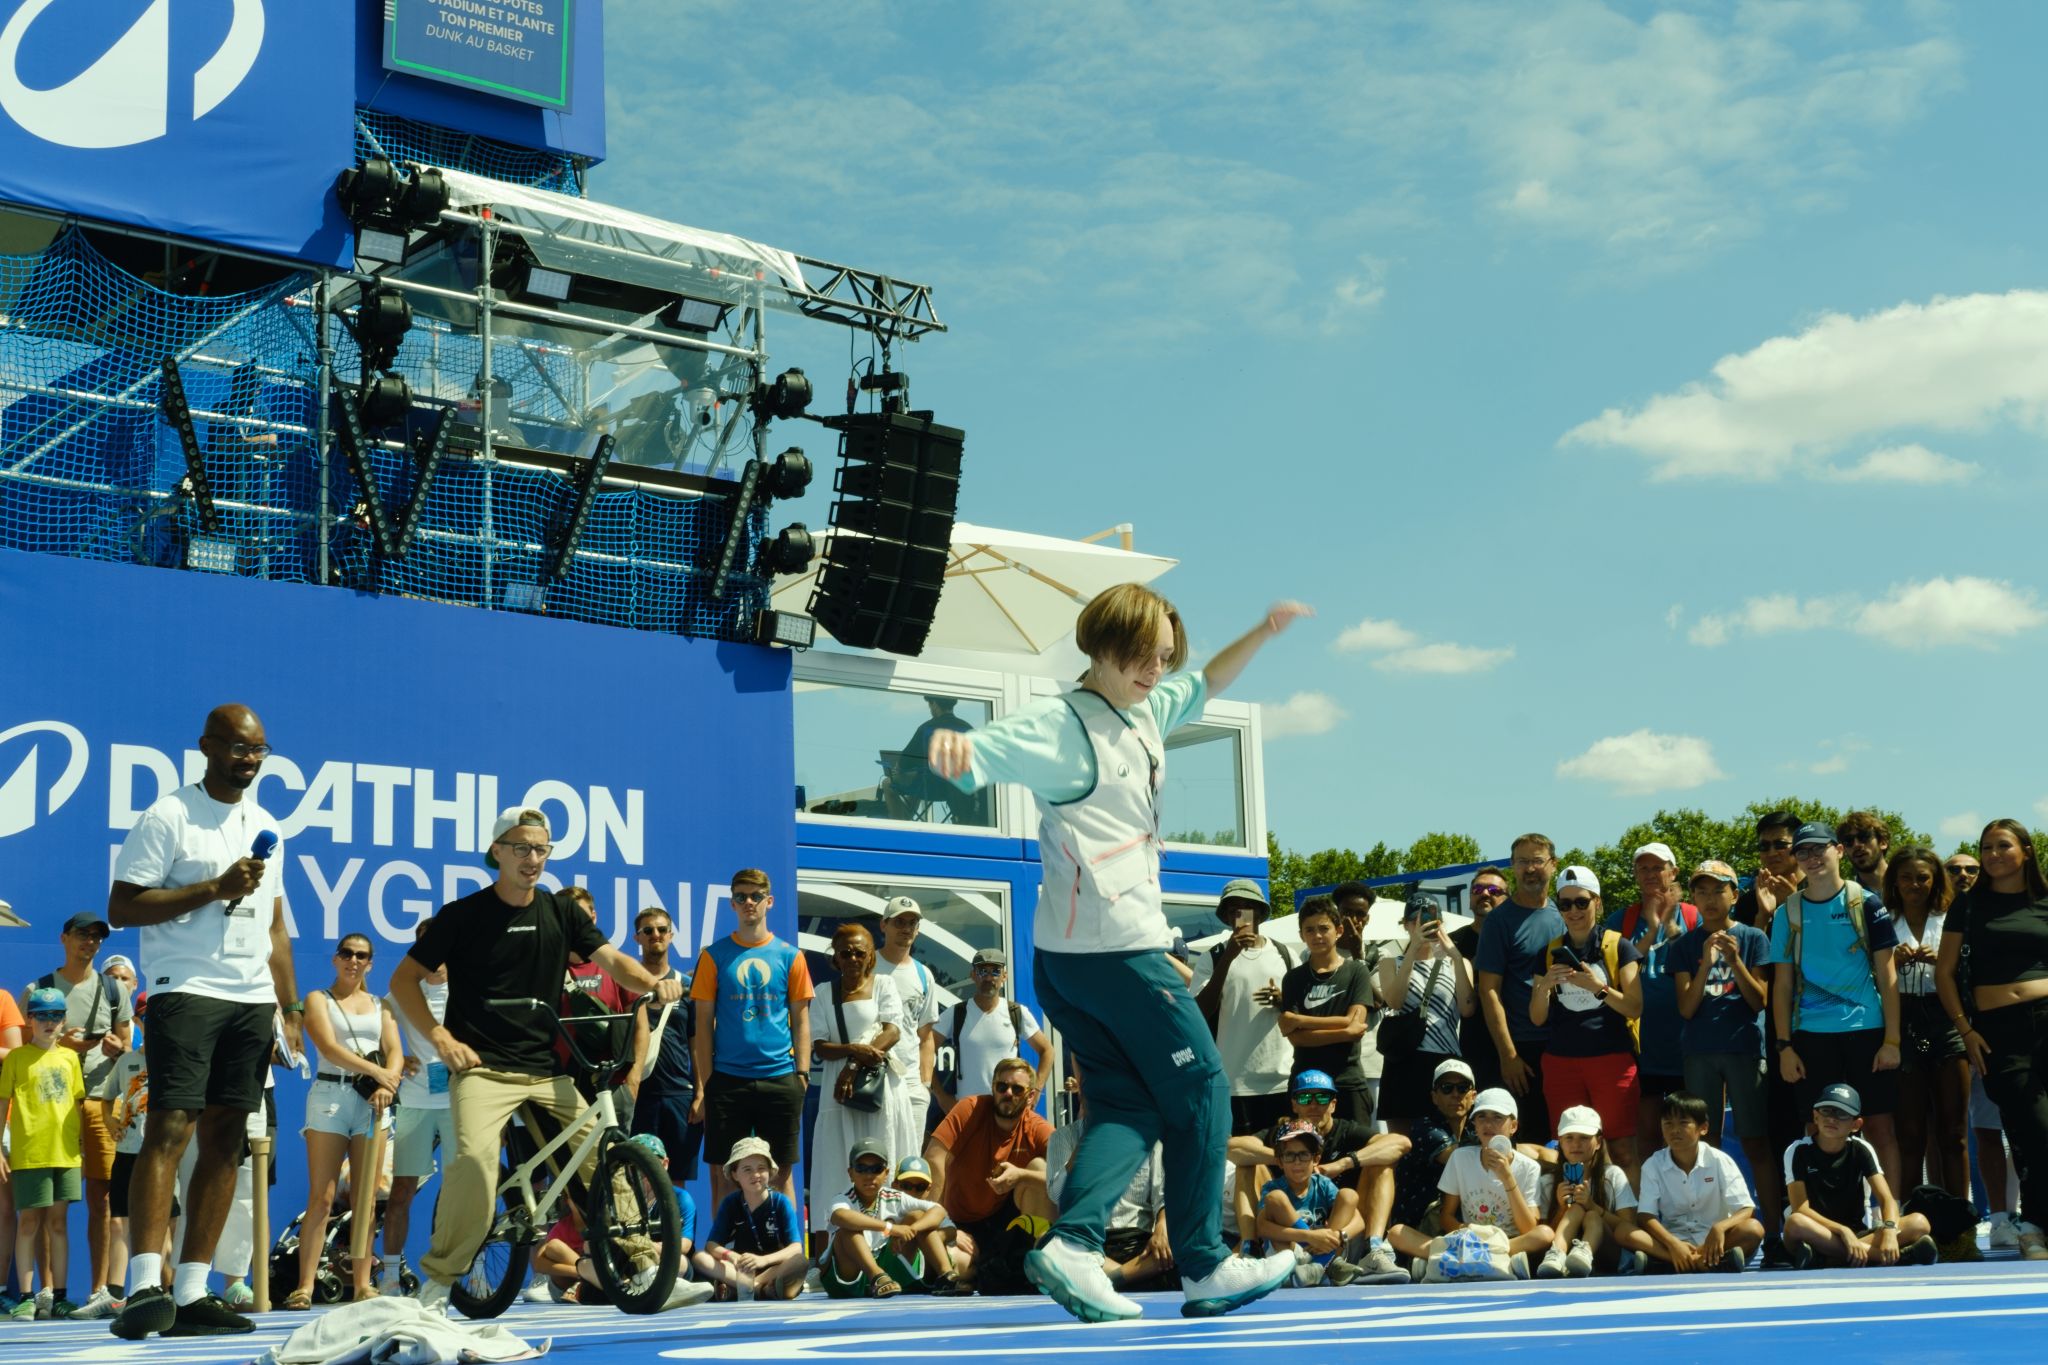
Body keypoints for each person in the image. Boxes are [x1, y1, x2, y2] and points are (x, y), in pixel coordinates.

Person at [927, 583, 1309, 1320]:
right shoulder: (1064, 726)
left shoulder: (1147, 706)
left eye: (1164, 656)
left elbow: (1208, 681)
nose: (1156, 669)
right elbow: (996, 746)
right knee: (1199, 1086)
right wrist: (961, 748)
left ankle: (1072, 1245)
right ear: (1101, 646)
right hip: (1111, 952)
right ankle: (1203, 1262)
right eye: (1142, 655)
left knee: (1130, 1103)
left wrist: (1260, 631)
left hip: (1069, 961)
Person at [389, 807, 683, 1309]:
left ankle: (647, 1265)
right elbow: (402, 982)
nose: (533, 859)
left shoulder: (561, 911)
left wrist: (655, 984)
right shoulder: (463, 916)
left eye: (541, 849)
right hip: (482, 1068)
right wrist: (441, 1038)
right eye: (521, 848)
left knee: (603, 1156)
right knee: (475, 1161)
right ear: (496, 852)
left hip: (546, 1069)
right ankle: (439, 1284)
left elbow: (611, 960)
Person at [105, 703, 301, 1339]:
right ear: (208, 747)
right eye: (240, 748)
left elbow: (274, 926)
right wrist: (213, 889)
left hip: (250, 998)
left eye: (260, 750)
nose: (250, 760)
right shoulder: (169, 815)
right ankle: (141, 1289)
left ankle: (190, 1293)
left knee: (228, 1140)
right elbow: (123, 905)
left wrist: (289, 1007)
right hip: (183, 987)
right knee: (170, 1126)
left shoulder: (268, 824)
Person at [1766, 822, 1903, 1192]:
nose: (1811, 858)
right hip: (1811, 1035)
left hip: (1867, 1031)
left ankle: (1889, 1218)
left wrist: (1892, 1039)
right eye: (1803, 851)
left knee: (1878, 1125)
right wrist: (1784, 1046)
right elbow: (1781, 985)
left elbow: (1887, 975)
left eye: (1819, 848)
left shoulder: (1866, 902)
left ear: (1838, 850)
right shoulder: (1787, 913)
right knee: (1817, 1130)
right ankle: (1828, 1220)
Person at [1936, 817, 2048, 1260]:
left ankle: (2035, 1227)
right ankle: (2035, 1224)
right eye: (1986, 848)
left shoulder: (2044, 900)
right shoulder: (1968, 905)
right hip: (1996, 1030)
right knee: (2035, 1129)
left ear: (2026, 850)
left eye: (2003, 845)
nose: (1993, 854)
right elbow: (1944, 974)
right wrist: (1965, 1030)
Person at [28, 912, 134, 1320]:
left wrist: (113, 1048)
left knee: (103, 1200)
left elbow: (128, 1046)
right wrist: (60, 1046)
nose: (89, 942)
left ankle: (99, 1292)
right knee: (47, 1200)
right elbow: (22, 1052)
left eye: (96, 937)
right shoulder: (40, 988)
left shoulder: (112, 990)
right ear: (64, 938)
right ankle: (48, 1293)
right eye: (82, 935)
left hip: (100, 1102)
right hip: (52, 1107)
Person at [285, 933, 400, 1308]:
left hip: (372, 1103)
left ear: (370, 964)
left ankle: (364, 1283)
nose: (353, 960)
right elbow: (327, 1045)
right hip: (331, 1099)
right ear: (336, 959)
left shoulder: (381, 1005)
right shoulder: (319, 998)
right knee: (323, 1195)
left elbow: (395, 1052)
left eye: (361, 956)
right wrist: (379, 1073)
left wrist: (389, 1082)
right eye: (347, 953)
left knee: (366, 1197)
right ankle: (304, 1285)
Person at [1669, 860, 1782, 1241]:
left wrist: (1734, 962)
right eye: (1701, 891)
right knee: (1706, 1143)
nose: (1710, 898)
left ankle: (1773, 1233)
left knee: (1755, 1140)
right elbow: (1685, 1008)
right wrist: (1706, 962)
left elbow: (1760, 1000)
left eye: (1719, 890)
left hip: (1743, 1048)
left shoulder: (1753, 938)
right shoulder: (1684, 945)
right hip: (1700, 1050)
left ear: (1735, 895)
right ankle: (1709, 1232)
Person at [688, 868, 812, 1211]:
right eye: (741, 897)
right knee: (725, 1174)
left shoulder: (791, 956)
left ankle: (788, 1258)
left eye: (756, 896)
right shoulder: (714, 956)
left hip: (780, 1075)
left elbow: (801, 1019)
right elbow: (702, 1023)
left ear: (769, 902)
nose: (748, 903)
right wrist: (709, 1081)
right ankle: (723, 1257)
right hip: (728, 1079)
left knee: (780, 1173)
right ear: (732, 903)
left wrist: (801, 1073)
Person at [1225, 1068, 1408, 1282]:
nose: (1313, 1104)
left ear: (1333, 1104)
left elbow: (1401, 1143)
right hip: (1286, 1239)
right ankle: (1251, 1248)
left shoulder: (1347, 1131)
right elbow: (1231, 1148)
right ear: (1294, 1104)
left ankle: (1372, 1250)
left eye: (1322, 1097)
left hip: (1338, 1238)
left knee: (1380, 1165)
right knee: (1247, 1165)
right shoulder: (1283, 1135)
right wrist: (1281, 1157)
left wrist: (1343, 1164)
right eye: (1304, 1097)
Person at [1530, 867, 1644, 1182]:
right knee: (1570, 1149)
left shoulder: (1619, 946)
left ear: (1597, 902)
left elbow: (1634, 1007)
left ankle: (1629, 1224)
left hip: (1612, 1060)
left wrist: (1598, 986)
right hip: (1561, 1062)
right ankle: (1578, 1220)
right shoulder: (1549, 952)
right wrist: (1545, 986)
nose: (1573, 911)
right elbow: (1537, 1016)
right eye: (1564, 904)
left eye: (1581, 902)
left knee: (1621, 1150)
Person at [810, 924, 911, 1235]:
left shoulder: (884, 985)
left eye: (860, 952)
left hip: (878, 1090)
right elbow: (820, 1046)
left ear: (870, 956)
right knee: (836, 1165)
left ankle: (891, 1239)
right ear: (835, 958)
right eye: (845, 952)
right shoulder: (824, 993)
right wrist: (853, 1048)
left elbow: (892, 1031)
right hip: (837, 1093)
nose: (852, 958)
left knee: (885, 1157)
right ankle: (831, 1250)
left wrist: (852, 1063)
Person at [925, 1056, 1054, 1294]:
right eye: (1001, 1086)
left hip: (1009, 1225)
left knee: (1038, 1168)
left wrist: (1021, 1176)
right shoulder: (969, 1108)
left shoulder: (1037, 1126)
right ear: (992, 1088)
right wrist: (943, 1223)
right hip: (960, 1222)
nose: (1008, 1093)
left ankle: (1040, 1258)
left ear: (1031, 1096)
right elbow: (934, 1157)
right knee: (952, 1262)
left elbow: (1067, 1176)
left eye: (1017, 1089)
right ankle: (983, 1273)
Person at [1885, 847, 1970, 1199]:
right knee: (1909, 1135)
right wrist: (1892, 959)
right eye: (1906, 877)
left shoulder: (1952, 917)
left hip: (1946, 1019)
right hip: (1902, 1021)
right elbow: (1868, 975)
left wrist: (1945, 962)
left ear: (1935, 879)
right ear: (1895, 881)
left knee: (1953, 1133)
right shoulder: (1883, 920)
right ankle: (1907, 1221)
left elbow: (1972, 971)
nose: (1915, 884)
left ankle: (1961, 1223)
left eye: (1923, 877)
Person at [1608, 843, 1699, 1161]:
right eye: (1643, 868)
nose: (1650, 874)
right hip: (1641, 1044)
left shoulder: (1693, 914)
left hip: (1687, 1040)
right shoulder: (1623, 919)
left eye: (1657, 867)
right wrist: (1651, 930)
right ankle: (1649, 1205)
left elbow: (1702, 964)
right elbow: (1614, 970)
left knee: (1691, 1131)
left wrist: (1671, 928)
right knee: (1645, 1133)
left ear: (1673, 872)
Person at [1782, 1082, 1936, 1268]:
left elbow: (1887, 1199)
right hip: (1818, 1233)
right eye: (1827, 1111)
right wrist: (1841, 1230)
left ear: (1856, 1125)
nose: (1832, 1118)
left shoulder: (1861, 1149)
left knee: (1919, 1222)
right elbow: (1800, 1208)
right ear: (1815, 1116)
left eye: (1842, 1113)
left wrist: (1888, 1230)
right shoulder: (1797, 1150)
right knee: (1795, 1223)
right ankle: (1883, 1257)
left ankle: (1831, 1258)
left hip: (1858, 1235)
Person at [1, 987, 86, 1318]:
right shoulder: (17, 1058)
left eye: (56, 1016)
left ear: (64, 1021)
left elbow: (76, 1107)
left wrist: (81, 1150)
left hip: (65, 1155)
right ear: (29, 1019)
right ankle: (26, 1295)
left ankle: (60, 1296)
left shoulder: (69, 1059)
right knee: (28, 1223)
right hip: (29, 1154)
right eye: (42, 1016)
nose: (49, 1022)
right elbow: (3, 1104)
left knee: (59, 1224)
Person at [1475, 834, 1566, 1144]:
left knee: (1565, 1138)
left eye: (1537, 860)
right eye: (1522, 862)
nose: (1530, 869)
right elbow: (1489, 991)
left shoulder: (1566, 913)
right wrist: (1508, 1054)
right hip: (1523, 1052)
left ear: (1553, 865)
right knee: (1527, 1143)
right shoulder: (1499, 921)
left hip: (1565, 1046)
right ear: (1512, 867)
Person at [1192, 878, 1295, 1137]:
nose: (1240, 915)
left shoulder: (1285, 954)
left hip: (1281, 1079)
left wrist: (1283, 1001)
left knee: (1283, 1160)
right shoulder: (1213, 957)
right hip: (1233, 1082)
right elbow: (1199, 1012)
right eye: (1233, 909)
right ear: (1226, 917)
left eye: (1247, 907)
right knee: (1239, 1165)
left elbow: (1305, 1011)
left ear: (1260, 911)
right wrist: (1227, 958)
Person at [382, 923, 452, 1297]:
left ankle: (456, 1273)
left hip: (461, 1103)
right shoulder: (400, 994)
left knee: (463, 1192)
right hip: (415, 1102)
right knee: (402, 1191)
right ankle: (390, 1274)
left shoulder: (470, 991)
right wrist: (396, 1055)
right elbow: (380, 1036)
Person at [1634, 1092, 1763, 1273]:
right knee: (1627, 1233)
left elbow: (1746, 1209)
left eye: (1683, 1123)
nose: (1674, 1130)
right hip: (1674, 1240)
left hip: (1716, 1240)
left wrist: (1720, 1227)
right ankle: (1704, 1263)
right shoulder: (1653, 1164)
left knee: (1753, 1229)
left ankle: (1672, 1264)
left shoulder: (1719, 1160)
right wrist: (1673, 1243)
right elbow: (1645, 1216)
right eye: (1668, 1123)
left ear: (1703, 1128)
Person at [1423, 1087, 1550, 1270]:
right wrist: (1470, 1234)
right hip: (1469, 1239)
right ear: (1474, 1124)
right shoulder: (1460, 1157)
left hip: (1510, 1241)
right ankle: (1498, 1260)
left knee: (1544, 1234)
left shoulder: (1529, 1167)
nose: (1488, 1124)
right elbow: (1446, 1216)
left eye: (1497, 1117)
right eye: (1481, 1116)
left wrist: (1507, 1178)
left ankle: (1442, 1259)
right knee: (1397, 1233)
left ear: (1513, 1126)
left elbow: (1529, 1229)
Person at [1376, 895, 1471, 1137]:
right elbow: (1394, 1001)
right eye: (1415, 920)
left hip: (1445, 1061)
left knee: (1448, 1140)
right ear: (1406, 925)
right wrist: (1412, 952)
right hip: (1404, 1061)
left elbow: (1468, 1008)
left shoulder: (1456, 962)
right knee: (1403, 1146)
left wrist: (1456, 956)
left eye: (1430, 919)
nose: (1423, 925)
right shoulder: (1390, 963)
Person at [1278, 898, 1376, 1126]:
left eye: (1324, 928)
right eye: (1309, 930)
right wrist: (1344, 1028)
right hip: (1305, 1082)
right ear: (1301, 935)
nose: (1317, 935)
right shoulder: (1293, 978)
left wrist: (1300, 1020)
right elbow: (1296, 1038)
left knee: (1358, 1156)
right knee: (1302, 1156)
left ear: (1339, 930)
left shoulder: (1357, 971)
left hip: (1348, 1080)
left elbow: (1357, 1026)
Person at [624, 905, 701, 1182]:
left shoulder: (688, 985)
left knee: (675, 1181)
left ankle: (672, 1228)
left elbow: (697, 1045)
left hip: (678, 1095)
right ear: (638, 938)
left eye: (661, 929)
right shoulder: (626, 984)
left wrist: (700, 1093)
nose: (655, 934)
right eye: (648, 930)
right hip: (636, 1095)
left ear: (671, 935)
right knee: (632, 1177)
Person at [822, 1136, 949, 1298]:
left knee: (917, 1216)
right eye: (861, 1168)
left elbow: (938, 1211)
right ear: (850, 1173)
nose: (869, 1175)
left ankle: (947, 1276)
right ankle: (877, 1276)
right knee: (848, 1229)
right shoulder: (842, 1199)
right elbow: (839, 1216)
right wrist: (891, 1228)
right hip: (847, 1277)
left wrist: (910, 1230)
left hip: (887, 1273)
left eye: (876, 1169)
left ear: (886, 1173)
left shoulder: (894, 1197)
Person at [690, 1138, 806, 1301]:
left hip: (772, 1269)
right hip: (740, 1268)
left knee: (799, 1262)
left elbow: (795, 1248)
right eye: (747, 1169)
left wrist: (762, 1260)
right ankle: (760, 1290)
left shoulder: (781, 1202)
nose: (755, 1175)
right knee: (700, 1257)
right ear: (734, 1174)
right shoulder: (731, 1203)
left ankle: (745, 1288)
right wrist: (731, 1256)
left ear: (770, 1172)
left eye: (761, 1168)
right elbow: (712, 1245)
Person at [933, 949, 1051, 1106]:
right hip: (968, 1113)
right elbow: (924, 1050)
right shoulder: (956, 1014)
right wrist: (941, 1097)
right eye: (982, 971)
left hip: (1007, 1109)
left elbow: (1047, 1051)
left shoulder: (1016, 1013)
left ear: (1004, 976)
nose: (989, 977)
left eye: (995, 971)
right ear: (973, 975)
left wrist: (1035, 1092)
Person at [1537, 1105, 1643, 1278]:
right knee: (1576, 1209)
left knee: (1591, 1215)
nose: (1576, 1144)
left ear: (1598, 1142)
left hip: (1609, 1254)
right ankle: (1558, 1255)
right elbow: (1542, 1235)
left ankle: (1583, 1252)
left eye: (1584, 1138)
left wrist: (1593, 1206)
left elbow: (1629, 1229)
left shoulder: (1612, 1175)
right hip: (1561, 1257)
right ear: (1560, 1142)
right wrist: (1562, 1208)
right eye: (1569, 1138)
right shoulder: (1548, 1182)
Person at [1385, 1060, 1478, 1253]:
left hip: (1456, 1217)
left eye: (1462, 1088)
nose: (1455, 1094)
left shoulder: (1476, 1127)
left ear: (1473, 1096)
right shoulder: (1425, 1127)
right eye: (1446, 1088)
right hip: (1422, 1223)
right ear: (1434, 1097)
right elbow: (1459, 1159)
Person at [1256, 1123, 1362, 1287]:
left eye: (1304, 1155)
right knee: (1276, 1198)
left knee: (1349, 1195)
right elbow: (1261, 1228)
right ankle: (1319, 1267)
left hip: (1325, 1249)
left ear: (1316, 1159)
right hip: (1290, 1253)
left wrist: (1338, 1236)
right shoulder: (1273, 1187)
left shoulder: (1323, 1184)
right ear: (1280, 1161)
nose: (1297, 1162)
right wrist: (1309, 1237)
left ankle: (1322, 1264)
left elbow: (1360, 1221)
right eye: (1290, 1155)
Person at [873, 898, 941, 1140]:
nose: (906, 928)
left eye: (912, 923)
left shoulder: (924, 975)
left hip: (911, 1081)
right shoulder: (866, 966)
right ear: (884, 925)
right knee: (875, 1157)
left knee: (910, 1164)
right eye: (899, 922)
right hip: (873, 1077)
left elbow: (925, 1036)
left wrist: (925, 1085)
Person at [1452, 869, 1509, 1086]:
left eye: (1494, 890)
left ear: (1507, 900)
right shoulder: (1452, 943)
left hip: (1514, 1044)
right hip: (1464, 1047)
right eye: (1477, 889)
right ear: (1469, 899)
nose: (1485, 893)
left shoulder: (1517, 940)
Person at [882, 696, 975, 821]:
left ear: (935, 704)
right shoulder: (968, 728)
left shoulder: (927, 728)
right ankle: (906, 819)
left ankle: (900, 827)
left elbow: (905, 762)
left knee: (888, 783)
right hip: (956, 790)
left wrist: (897, 770)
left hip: (930, 786)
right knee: (920, 778)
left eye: (930, 705)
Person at [1838, 811, 1892, 897]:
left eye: (1864, 837)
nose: (1856, 845)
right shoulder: (1846, 898)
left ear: (1883, 842)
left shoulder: (1910, 884)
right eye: (1849, 841)